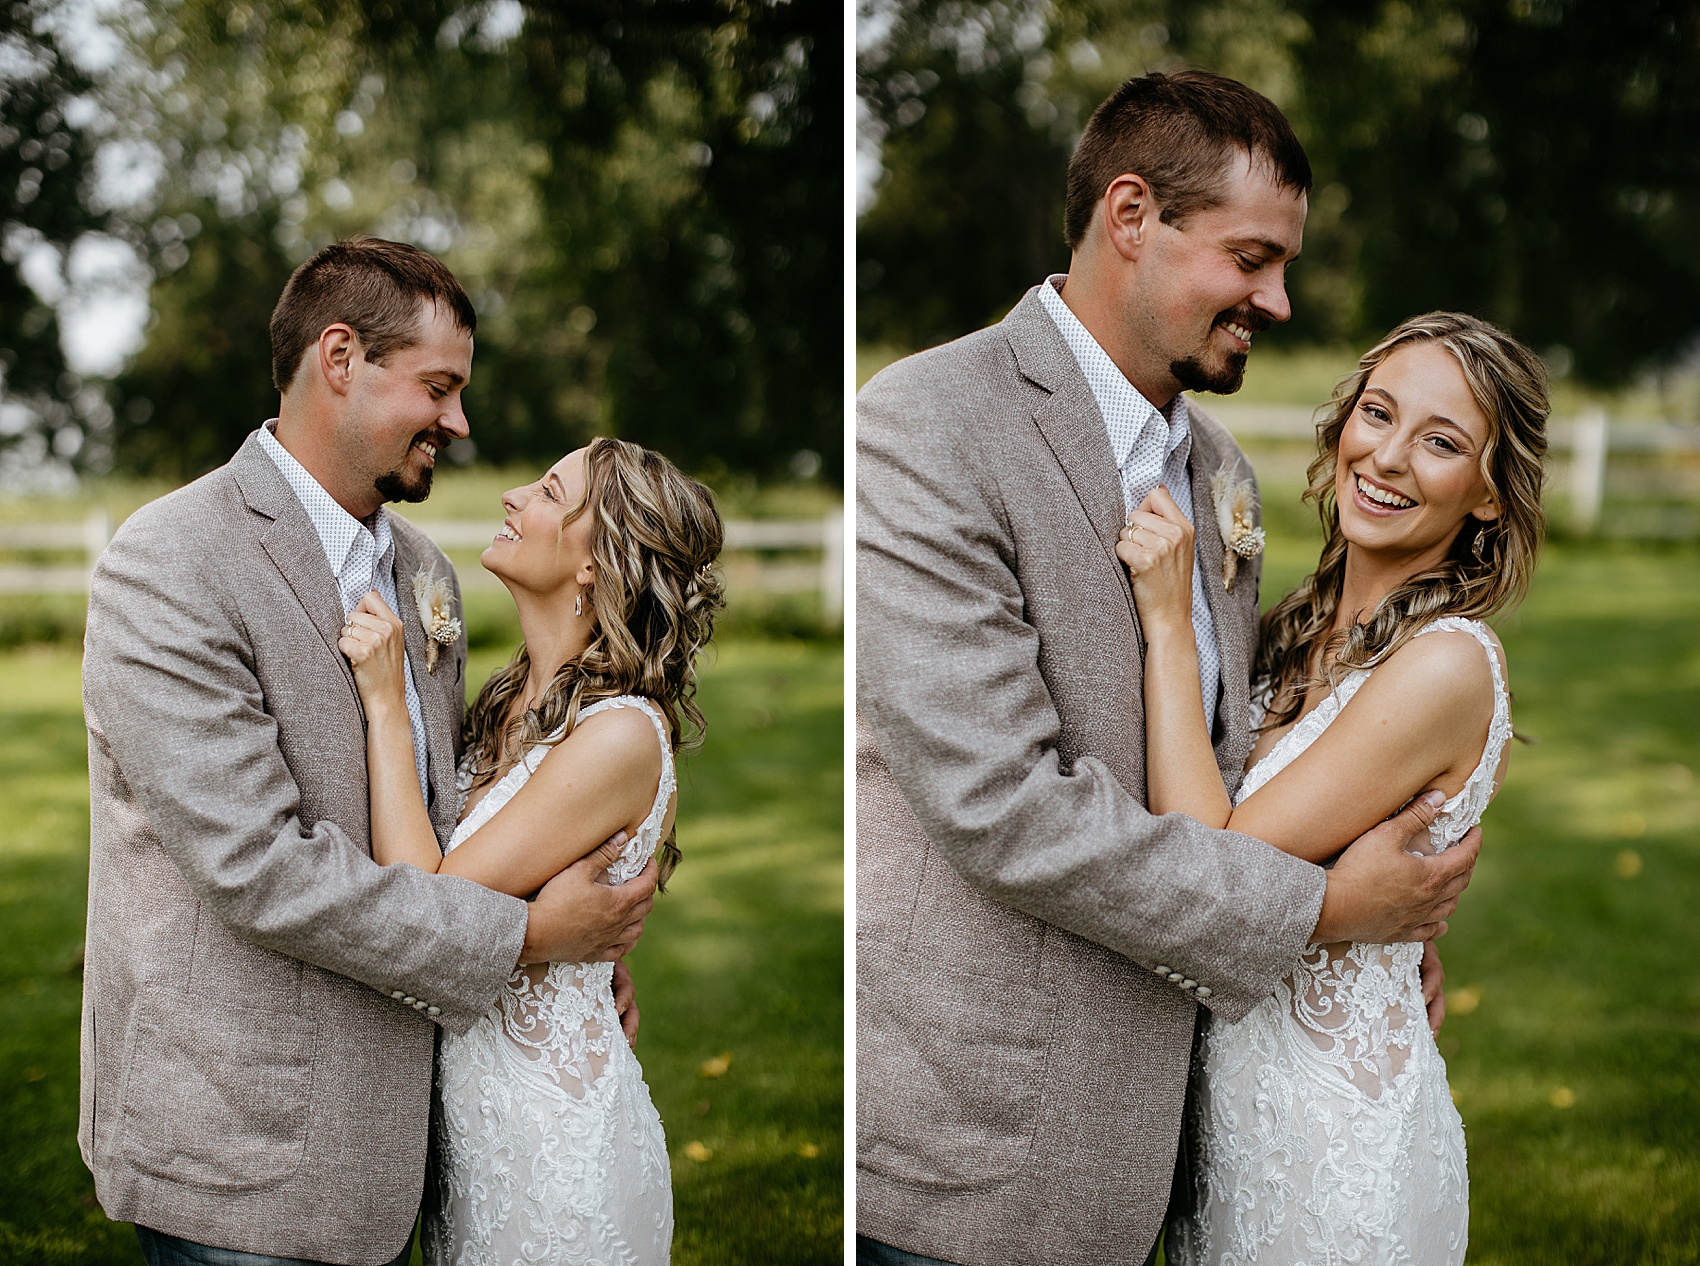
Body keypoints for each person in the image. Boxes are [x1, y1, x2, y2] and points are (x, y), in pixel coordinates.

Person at [856, 70, 1481, 1265]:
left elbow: (1226, 750)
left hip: (1168, 1143)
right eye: (1251, 259)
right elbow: (1001, 806)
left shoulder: (1220, 469)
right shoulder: (926, 421)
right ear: (1130, 216)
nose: (1279, 300)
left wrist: (1368, 888)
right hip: (968, 1155)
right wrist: (1328, 910)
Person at [80, 238, 658, 1266]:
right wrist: (526, 940)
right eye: (438, 387)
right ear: (339, 358)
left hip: (406, 1145)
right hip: (243, 1150)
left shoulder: (423, 569)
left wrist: (564, 964)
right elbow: (261, 871)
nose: (460, 422)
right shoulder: (172, 561)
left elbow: (446, 823)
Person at [1120, 312, 1546, 1264]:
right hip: (1227, 1134)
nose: (1388, 457)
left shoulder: (1449, 667)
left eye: (1440, 442)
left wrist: (1168, 628)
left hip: (1335, 1152)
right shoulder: (1290, 630)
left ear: (1487, 494)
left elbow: (1211, 855)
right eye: (1377, 413)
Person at [337, 437, 723, 1264]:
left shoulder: (619, 733)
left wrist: (384, 708)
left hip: (555, 1147)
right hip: (470, 1141)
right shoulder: (510, 699)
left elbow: (426, 896)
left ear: (594, 562)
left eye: (549, 493)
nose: (514, 496)